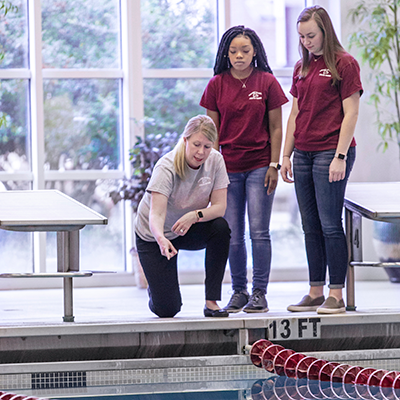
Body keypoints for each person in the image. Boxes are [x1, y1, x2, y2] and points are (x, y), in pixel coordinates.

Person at [281, 6, 363, 314]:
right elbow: (295, 115)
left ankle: (336, 294)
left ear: (325, 31)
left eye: (311, 35)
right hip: (303, 151)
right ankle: (315, 290)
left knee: (330, 224)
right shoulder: (301, 68)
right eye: (301, 37)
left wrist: (340, 156)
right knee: (309, 225)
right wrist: (285, 156)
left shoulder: (345, 63)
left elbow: (351, 113)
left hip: (332, 150)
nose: (306, 42)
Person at [200, 26, 288, 313]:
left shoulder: (267, 82)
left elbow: (276, 128)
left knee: (259, 232)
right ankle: (239, 291)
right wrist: (211, 173)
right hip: (228, 169)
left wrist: (274, 165)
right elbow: (210, 134)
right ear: (226, 53)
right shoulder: (216, 84)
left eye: (245, 51)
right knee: (232, 234)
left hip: (260, 166)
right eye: (234, 51)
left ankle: (259, 293)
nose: (239, 56)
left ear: (255, 53)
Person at [135, 115, 231, 318]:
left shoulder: (215, 160)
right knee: (167, 309)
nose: (201, 152)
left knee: (220, 228)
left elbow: (220, 207)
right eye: (196, 144)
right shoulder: (166, 167)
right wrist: (161, 238)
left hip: (185, 227)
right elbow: (156, 213)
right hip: (154, 235)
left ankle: (211, 302)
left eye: (207, 146)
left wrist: (194, 216)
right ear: (185, 140)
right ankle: (157, 285)